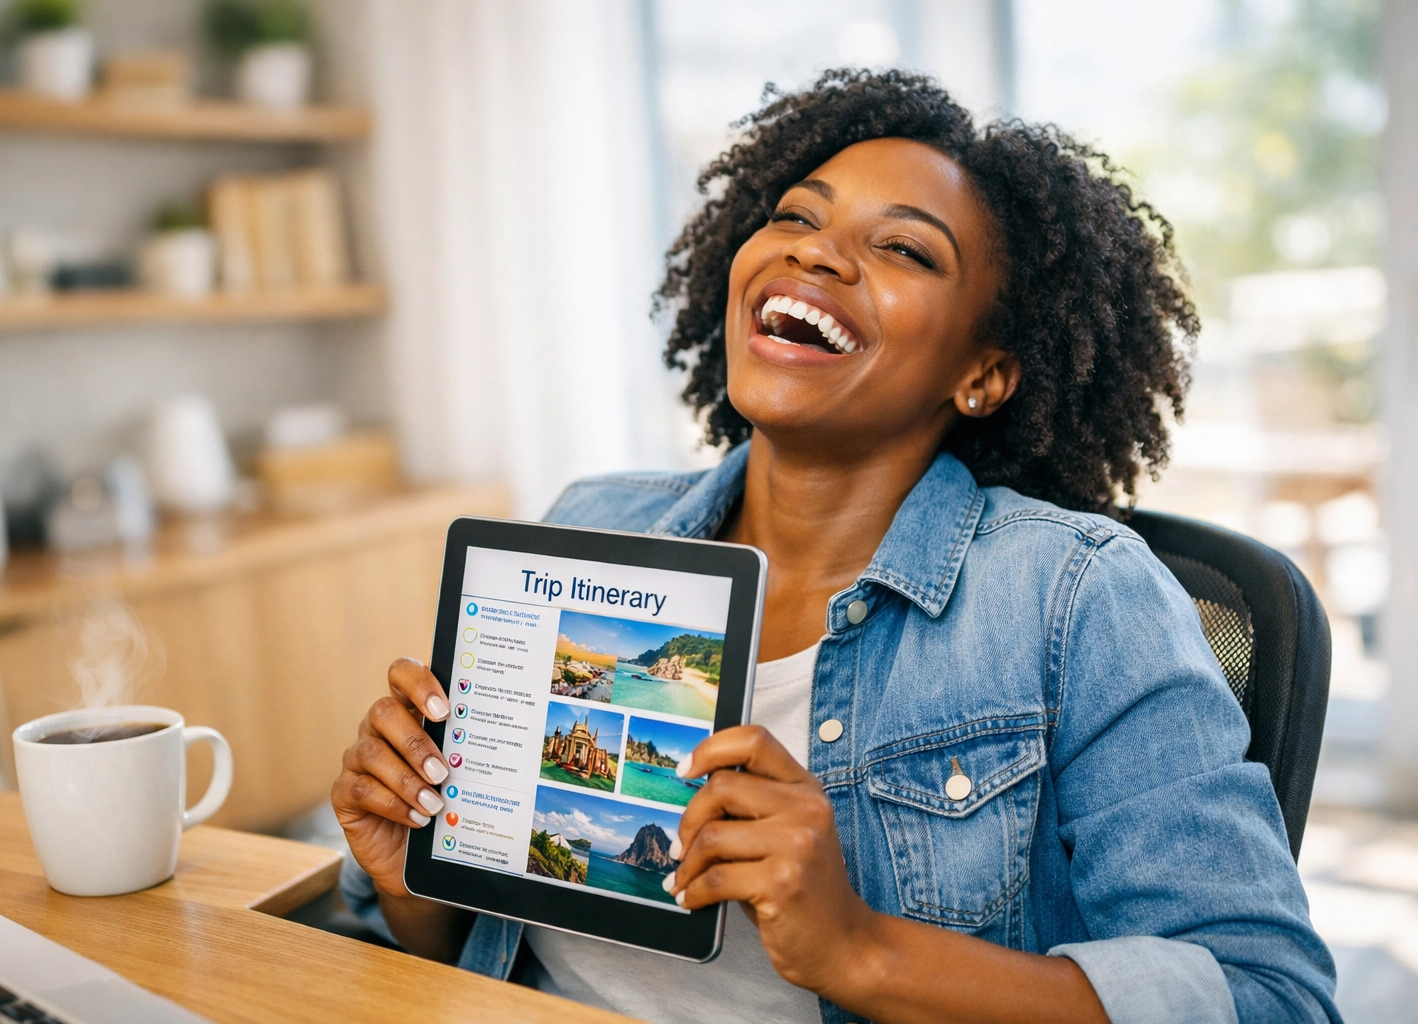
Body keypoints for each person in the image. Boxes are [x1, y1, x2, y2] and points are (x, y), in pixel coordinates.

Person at [332, 70, 1339, 1024]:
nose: (813, 252)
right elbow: (454, 947)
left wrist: (859, 947)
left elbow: (1269, 995)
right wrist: (409, 872)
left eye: (905, 248)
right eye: (794, 217)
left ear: (983, 373)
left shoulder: (1074, 594)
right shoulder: (588, 525)